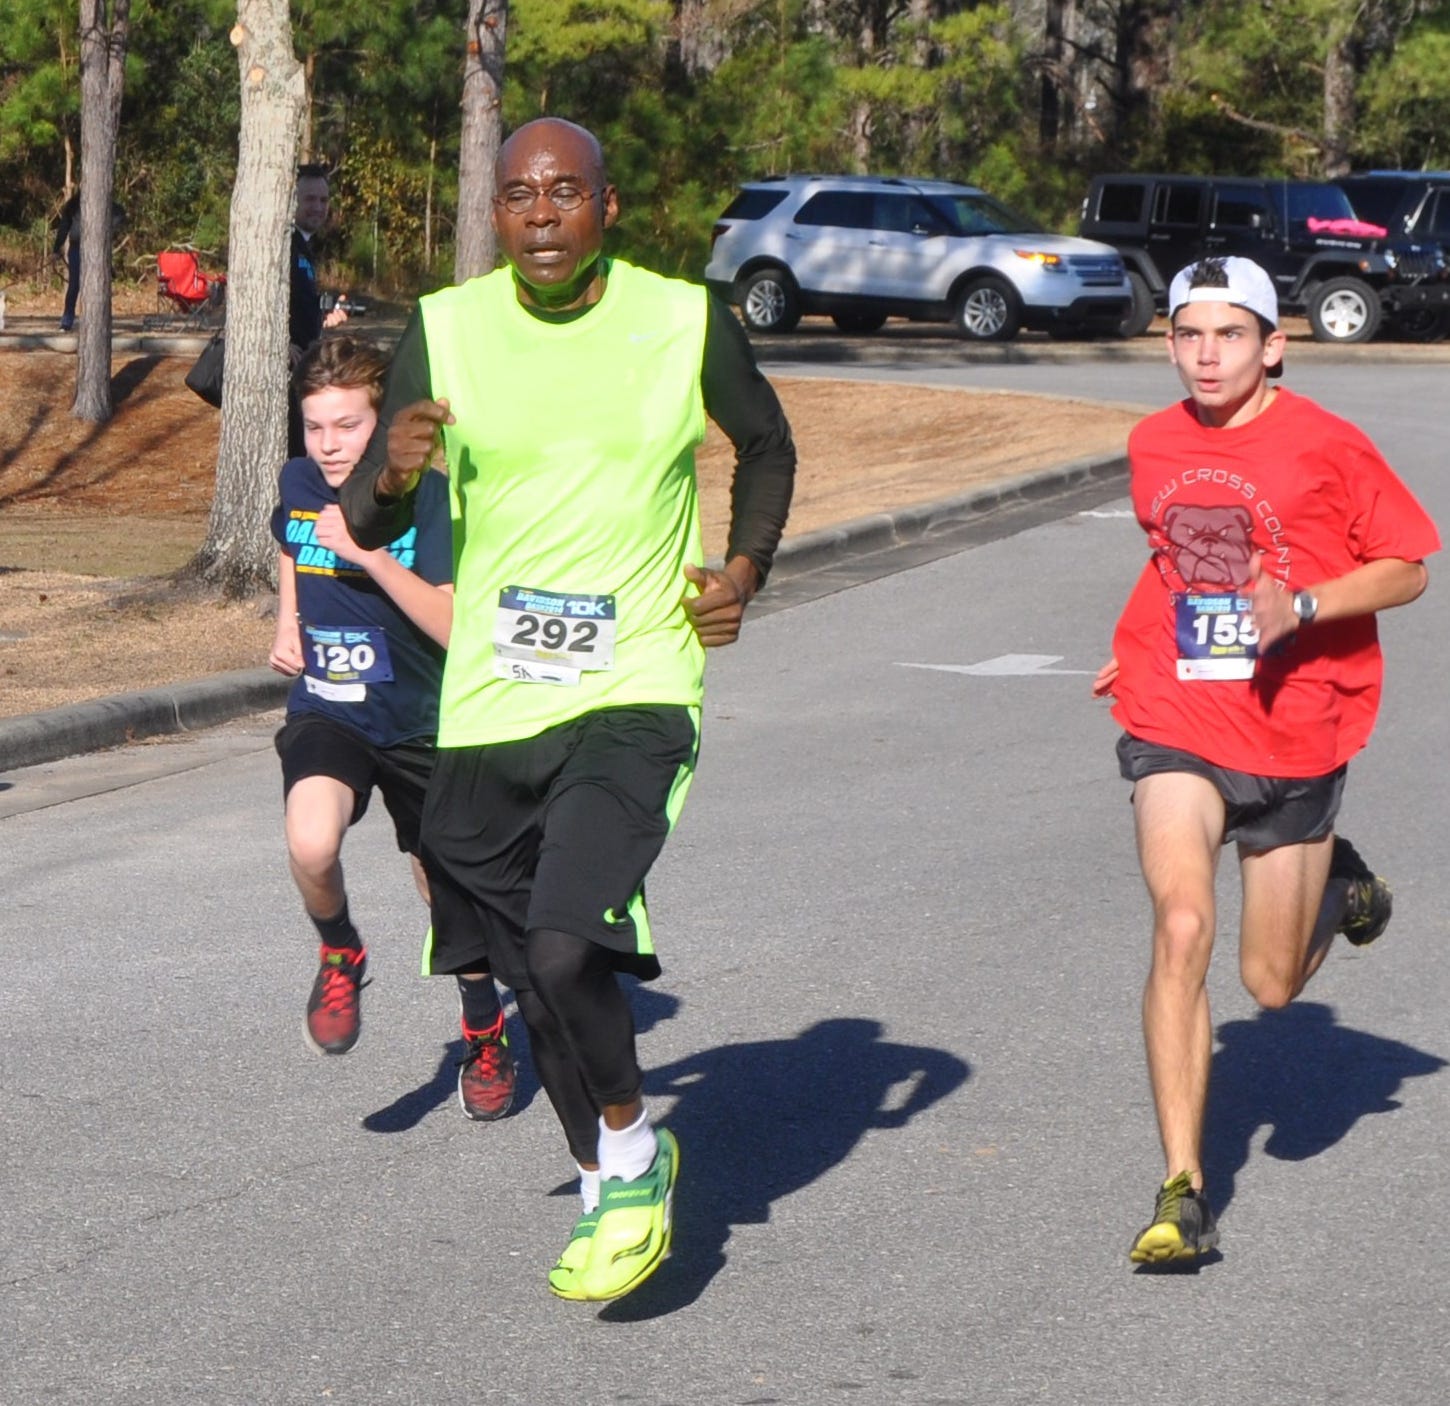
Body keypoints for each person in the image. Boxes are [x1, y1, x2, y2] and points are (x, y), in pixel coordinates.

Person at [339, 117, 796, 1301]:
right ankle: (601, 1178)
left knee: (563, 940)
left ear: (606, 204)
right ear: (493, 212)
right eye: (515, 196)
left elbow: (766, 443)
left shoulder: (680, 317)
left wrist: (740, 570)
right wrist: (391, 469)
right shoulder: (445, 329)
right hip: (492, 698)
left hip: (636, 680)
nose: (539, 214)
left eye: (563, 192)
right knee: (531, 976)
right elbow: (372, 516)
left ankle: (636, 1151)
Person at [1092, 256, 1440, 1266]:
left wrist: (1301, 605)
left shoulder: (1329, 444)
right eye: (1187, 334)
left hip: (1298, 724)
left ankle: (1338, 878)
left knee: (1271, 985)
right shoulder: (1152, 440)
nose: (1206, 354)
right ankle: (1180, 1188)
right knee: (1181, 922)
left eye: (1229, 334)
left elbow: (1409, 565)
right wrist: (1129, 640)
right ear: (1167, 343)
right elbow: (1170, 558)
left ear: (1271, 343)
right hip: (1178, 708)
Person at [269, 334, 514, 1122]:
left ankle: (482, 1025)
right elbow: (288, 536)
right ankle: (341, 950)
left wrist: (368, 553)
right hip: (329, 707)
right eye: (316, 427)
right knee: (311, 841)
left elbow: (450, 625)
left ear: (380, 427)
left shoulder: (430, 499)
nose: (329, 446)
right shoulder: (300, 478)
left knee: (444, 885)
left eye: (347, 427)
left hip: (420, 720)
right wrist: (287, 618)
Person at [288, 165, 349, 456]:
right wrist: (280, 344)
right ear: (293, 200)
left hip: (303, 370)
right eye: (310, 199)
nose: (318, 207)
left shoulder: (306, 246)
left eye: (323, 201)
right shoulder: (283, 245)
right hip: (282, 377)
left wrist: (325, 320)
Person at [51, 189, 124, 333]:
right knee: (74, 286)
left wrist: (108, 228)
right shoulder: (73, 204)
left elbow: (120, 215)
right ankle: (66, 322)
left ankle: (99, 323)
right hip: (76, 248)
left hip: (97, 249)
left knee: (98, 287)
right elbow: (64, 225)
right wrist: (56, 248)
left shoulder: (104, 202)